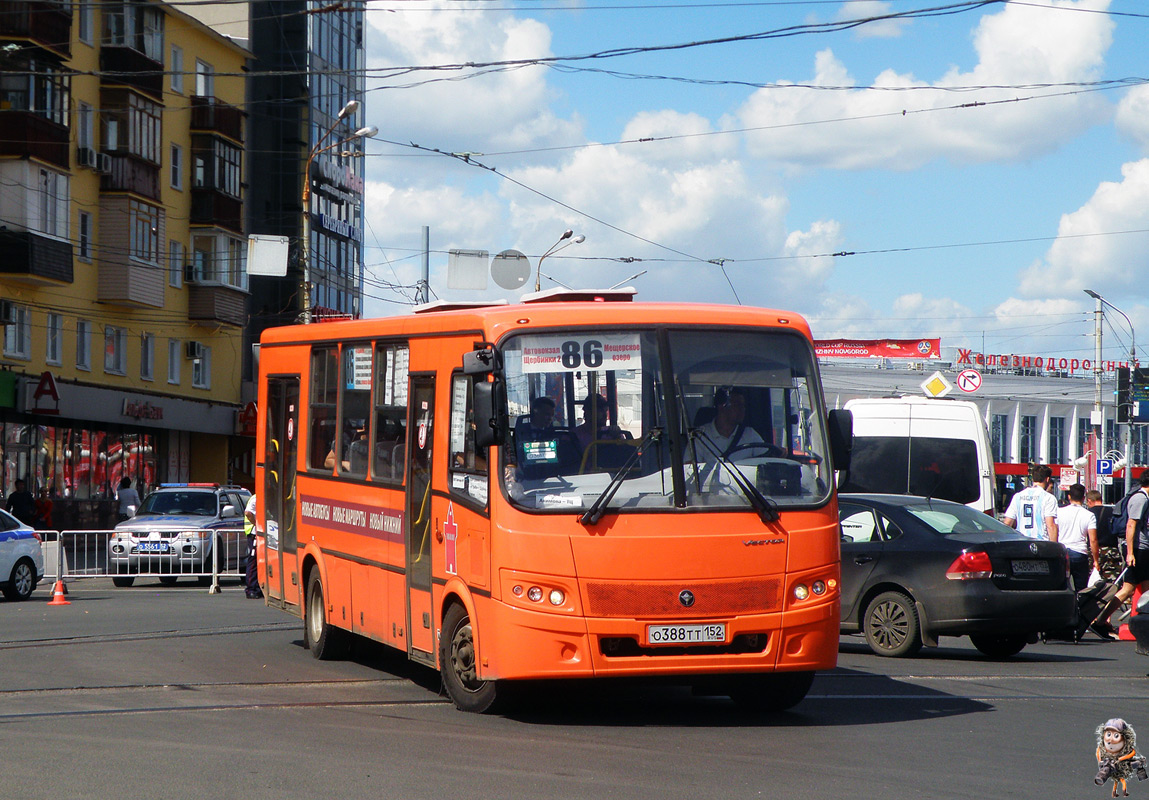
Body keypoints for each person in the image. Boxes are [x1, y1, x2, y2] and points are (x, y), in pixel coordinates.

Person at [1095, 474, 1149, 637]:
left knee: (1146, 589)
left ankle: (1143, 625)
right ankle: (1100, 620)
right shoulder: (1140, 498)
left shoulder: (1143, 497)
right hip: (1137, 549)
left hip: (1142, 549)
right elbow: (1130, 525)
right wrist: (1130, 553)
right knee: (1128, 588)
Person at [694, 388, 768, 461]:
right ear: (722, 407)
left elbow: (767, 459)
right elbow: (689, 467)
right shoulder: (701, 435)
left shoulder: (750, 434)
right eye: (737, 405)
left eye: (743, 405)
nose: (742, 409)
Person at [1055, 483, 1097, 592]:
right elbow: (1093, 540)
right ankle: (1079, 608)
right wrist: (1095, 560)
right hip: (1080, 553)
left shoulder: (1059, 512)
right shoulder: (1089, 515)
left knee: (1061, 585)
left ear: (1069, 497)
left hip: (1062, 552)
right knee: (1081, 589)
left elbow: (1053, 531)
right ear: (1083, 498)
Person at [1003, 464, 1058, 541]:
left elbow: (1007, 523)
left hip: (1022, 541)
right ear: (1047, 479)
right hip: (1040, 542)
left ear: (1033, 479)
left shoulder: (1018, 496)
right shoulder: (1048, 498)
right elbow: (1050, 525)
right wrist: (1055, 548)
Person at [1087, 489, 1123, 583]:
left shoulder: (1087, 513)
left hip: (1093, 551)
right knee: (1111, 583)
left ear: (1089, 501)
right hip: (1111, 551)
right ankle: (1109, 598)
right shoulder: (1112, 512)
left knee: (1092, 582)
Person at [243, 493, 263, 599]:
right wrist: (256, 523)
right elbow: (248, 513)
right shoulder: (256, 498)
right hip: (254, 533)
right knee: (253, 561)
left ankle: (257, 587)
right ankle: (251, 588)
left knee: (259, 561)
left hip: (260, 532)